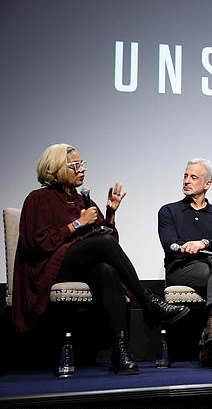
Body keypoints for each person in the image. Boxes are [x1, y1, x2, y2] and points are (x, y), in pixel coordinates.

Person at [12, 143, 189, 375]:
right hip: (49, 267)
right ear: (55, 168)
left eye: (82, 163)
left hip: (80, 266)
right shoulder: (39, 199)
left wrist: (110, 213)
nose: (82, 169)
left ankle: (120, 350)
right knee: (103, 247)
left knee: (108, 270)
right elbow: (37, 243)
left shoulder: (81, 201)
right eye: (74, 165)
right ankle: (148, 303)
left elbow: (107, 239)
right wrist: (78, 223)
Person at [158, 158, 212, 367]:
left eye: (193, 177)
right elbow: (170, 244)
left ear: (207, 184)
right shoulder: (169, 211)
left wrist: (202, 243)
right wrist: (189, 247)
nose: (186, 181)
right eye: (185, 176)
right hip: (181, 268)